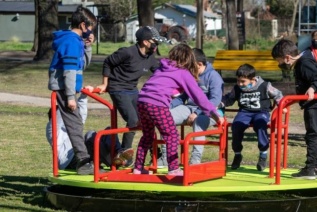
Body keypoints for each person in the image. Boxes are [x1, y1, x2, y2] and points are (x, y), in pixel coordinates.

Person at [133, 43, 224, 176]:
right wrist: (215, 116)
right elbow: (200, 98)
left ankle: (138, 168)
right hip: (157, 105)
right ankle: (174, 169)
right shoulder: (183, 73)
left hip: (141, 102)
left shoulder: (162, 68)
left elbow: (156, 88)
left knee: (147, 136)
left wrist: (143, 117)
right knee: (172, 135)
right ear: (189, 60)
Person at [96, 26, 163, 167]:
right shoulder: (127, 52)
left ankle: (154, 154)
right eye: (155, 41)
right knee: (133, 119)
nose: (157, 45)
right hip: (118, 88)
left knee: (145, 118)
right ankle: (124, 152)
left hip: (132, 90)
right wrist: (104, 84)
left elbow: (159, 73)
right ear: (145, 42)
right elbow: (108, 62)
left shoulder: (150, 57)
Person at [47, 5, 97, 175]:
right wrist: (70, 97)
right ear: (83, 26)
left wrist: (88, 47)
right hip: (63, 89)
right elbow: (68, 70)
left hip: (67, 89)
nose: (91, 32)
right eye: (90, 28)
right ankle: (83, 162)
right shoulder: (71, 41)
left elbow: (82, 65)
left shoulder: (76, 42)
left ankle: (83, 159)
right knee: (74, 125)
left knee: (74, 124)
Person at [272, 39, 317, 180]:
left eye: (279, 61)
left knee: (312, 136)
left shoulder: (303, 64)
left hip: (315, 105)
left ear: (287, 58)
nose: (279, 64)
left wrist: (312, 88)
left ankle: (311, 168)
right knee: (316, 136)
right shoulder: (307, 59)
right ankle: (316, 168)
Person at [156, 48, 224, 166]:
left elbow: (215, 100)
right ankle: (166, 157)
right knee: (165, 117)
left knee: (199, 122)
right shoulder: (191, 75)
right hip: (190, 108)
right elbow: (183, 97)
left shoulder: (214, 77)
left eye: (189, 66)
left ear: (199, 64)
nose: (186, 69)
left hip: (212, 111)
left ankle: (195, 159)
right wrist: (168, 106)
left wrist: (197, 113)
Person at [222, 64, 284, 171]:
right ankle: (237, 154)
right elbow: (229, 99)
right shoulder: (237, 88)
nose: (240, 84)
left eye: (243, 81)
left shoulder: (265, 86)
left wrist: (281, 106)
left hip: (261, 112)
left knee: (260, 125)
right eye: (238, 81)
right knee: (236, 126)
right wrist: (217, 103)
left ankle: (263, 155)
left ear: (252, 79)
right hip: (244, 112)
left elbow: (278, 95)